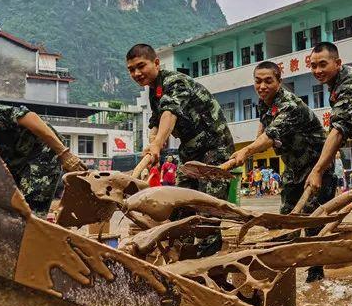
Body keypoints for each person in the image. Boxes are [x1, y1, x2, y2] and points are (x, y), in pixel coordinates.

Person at [221, 61, 336, 283]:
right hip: (293, 170)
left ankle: (316, 277)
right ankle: (284, 275)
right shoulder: (264, 102)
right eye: (258, 81)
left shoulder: (289, 106)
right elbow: (263, 129)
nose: (262, 86)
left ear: (279, 81)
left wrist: (246, 151)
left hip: (317, 168)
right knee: (285, 222)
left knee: (312, 224)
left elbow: (269, 136)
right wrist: (249, 152)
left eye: (268, 81)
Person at [126, 43, 234, 257]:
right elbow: (156, 121)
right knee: (179, 206)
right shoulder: (154, 90)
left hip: (214, 149)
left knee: (207, 211)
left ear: (156, 63)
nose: (136, 73)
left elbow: (169, 113)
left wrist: (158, 144)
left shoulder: (175, 82)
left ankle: (207, 266)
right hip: (190, 152)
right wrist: (151, 144)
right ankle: (180, 257)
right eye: (131, 69)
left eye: (141, 66)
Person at [0, 101, 86, 216]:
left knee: (29, 212)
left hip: (41, 150)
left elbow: (27, 116)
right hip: (9, 163)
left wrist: (64, 153)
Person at [305, 42, 352, 199]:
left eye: (323, 65)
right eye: (313, 66)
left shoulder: (349, 83)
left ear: (338, 63)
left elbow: (338, 131)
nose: (318, 71)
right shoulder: (336, 84)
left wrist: (317, 170)